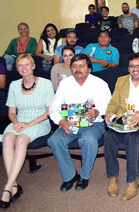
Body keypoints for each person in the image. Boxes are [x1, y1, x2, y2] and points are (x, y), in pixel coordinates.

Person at [0, 54, 53, 208]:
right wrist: (17, 123)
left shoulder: (46, 84)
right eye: (20, 65)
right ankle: (13, 184)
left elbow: (49, 112)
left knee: (21, 139)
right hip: (19, 121)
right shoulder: (14, 85)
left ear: (33, 66)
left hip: (40, 121)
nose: (23, 68)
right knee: (8, 138)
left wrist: (28, 124)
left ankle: (7, 188)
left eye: (27, 64)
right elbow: (11, 113)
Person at [48, 54, 111, 191]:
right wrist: (60, 121)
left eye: (81, 66)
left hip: (94, 123)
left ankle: (84, 175)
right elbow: (54, 107)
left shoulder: (100, 84)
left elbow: (109, 106)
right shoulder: (65, 84)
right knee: (54, 140)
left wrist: (97, 111)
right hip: (70, 123)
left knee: (88, 140)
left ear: (89, 69)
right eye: (74, 66)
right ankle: (69, 175)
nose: (77, 69)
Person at [104, 52, 139, 200]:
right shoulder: (121, 81)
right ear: (128, 68)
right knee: (109, 136)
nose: (135, 69)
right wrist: (110, 112)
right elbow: (114, 102)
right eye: (132, 66)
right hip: (124, 117)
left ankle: (132, 180)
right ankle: (112, 177)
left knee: (131, 137)